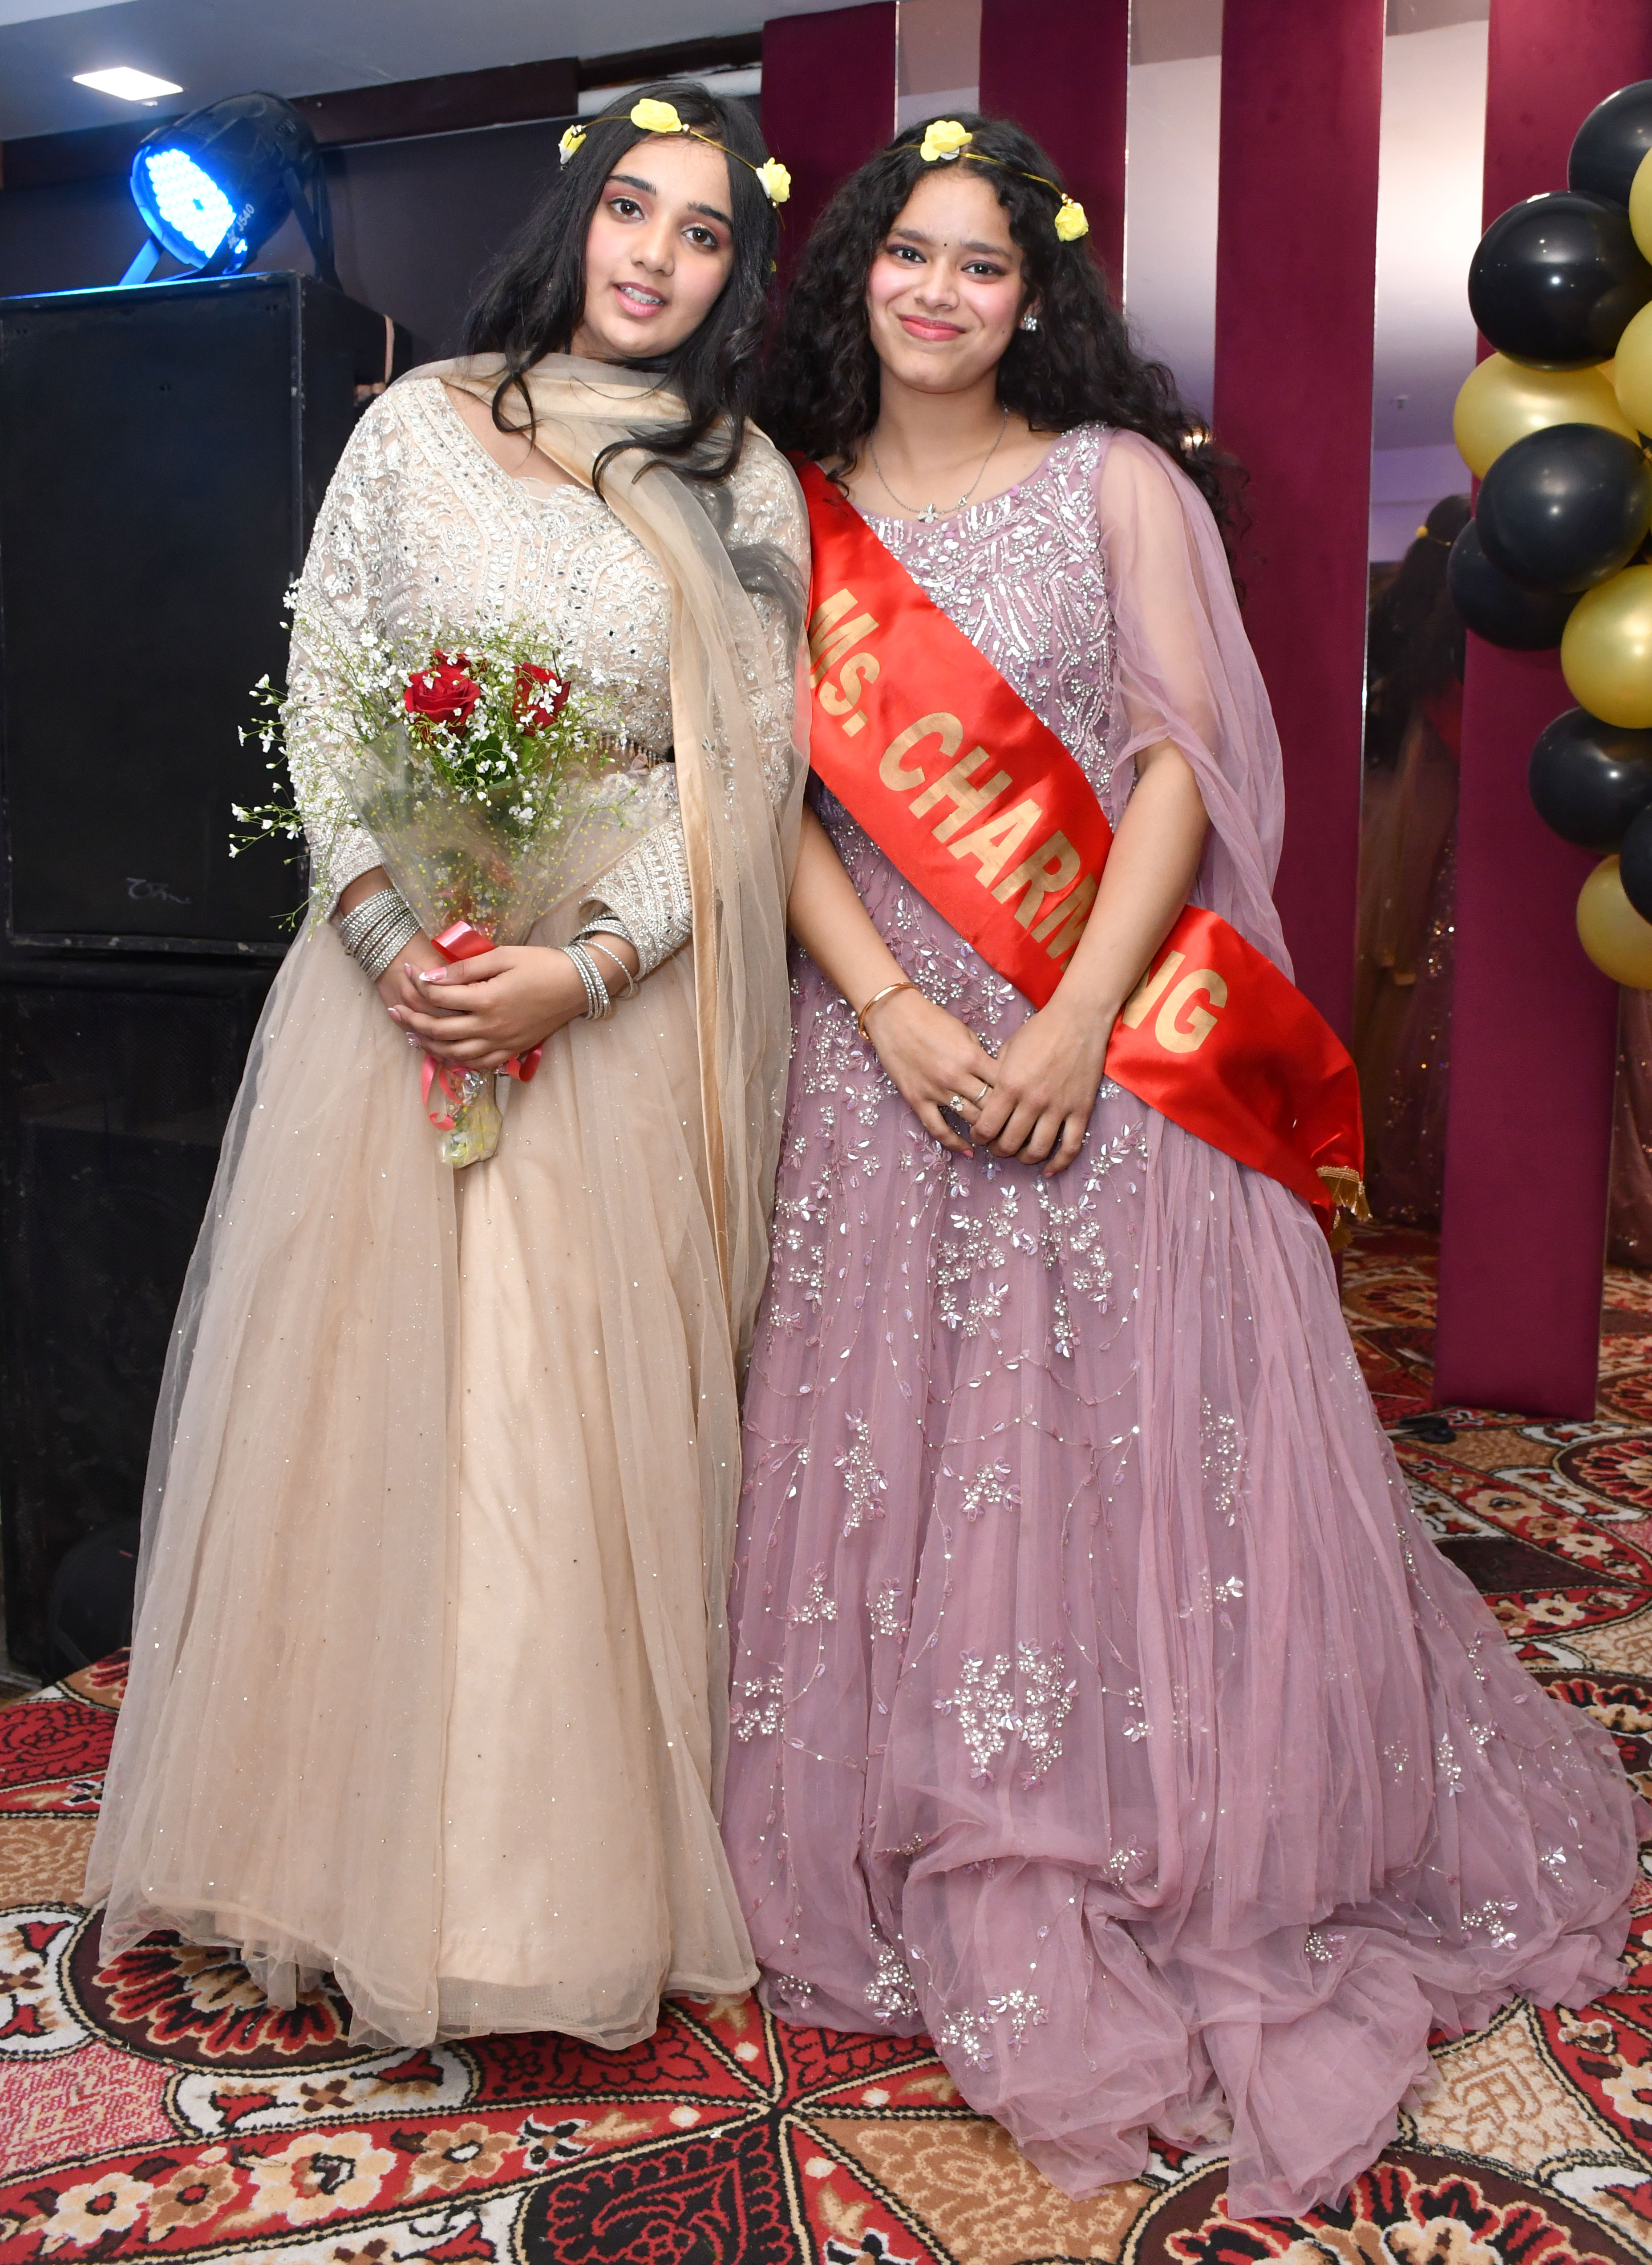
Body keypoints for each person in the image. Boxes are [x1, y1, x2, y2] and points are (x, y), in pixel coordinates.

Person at [721, 116, 1639, 2220]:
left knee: (1117, 1435)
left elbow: (1180, 759)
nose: (941, 294)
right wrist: (893, 1005)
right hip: (877, 1050)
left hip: (1108, 1034)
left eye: (984, 265)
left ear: (1034, 297)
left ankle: (1154, 1816)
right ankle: (906, 1808)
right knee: (898, 1442)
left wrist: (1069, 1018)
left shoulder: (1114, 480)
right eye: (910, 254)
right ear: (855, 273)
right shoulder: (790, 507)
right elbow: (764, 786)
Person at [85, 83, 807, 2052]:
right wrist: (392, 935)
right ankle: (312, 1852)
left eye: (706, 234)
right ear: (577, 218)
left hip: (601, 1023)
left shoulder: (741, 481)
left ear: (736, 277)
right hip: (392, 994)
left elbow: (744, 778)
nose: (658, 257)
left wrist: (579, 969)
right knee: (355, 1424)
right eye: (633, 210)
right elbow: (326, 699)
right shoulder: (416, 425)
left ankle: (523, 1893)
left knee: (547, 1440)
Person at [1352, 496, 1468, 1225]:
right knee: (1432, 959)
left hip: (1395, 800)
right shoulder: (1458, 632)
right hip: (1441, 801)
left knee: (1403, 964)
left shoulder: (1401, 615)